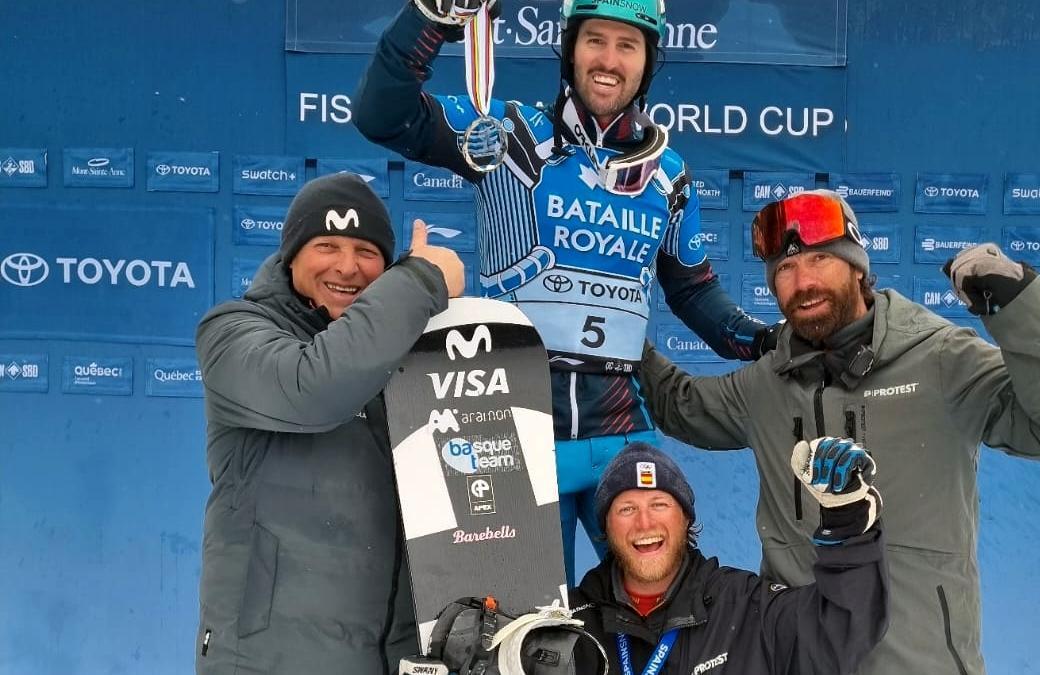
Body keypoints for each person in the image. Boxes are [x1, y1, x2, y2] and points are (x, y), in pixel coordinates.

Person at [352, 0, 771, 581]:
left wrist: (763, 340)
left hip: (622, 433)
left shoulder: (668, 173)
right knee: (519, 633)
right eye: (594, 39)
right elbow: (382, 114)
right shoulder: (509, 138)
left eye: (628, 46)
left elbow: (694, 292)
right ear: (569, 50)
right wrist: (431, 19)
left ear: (648, 63)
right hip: (514, 428)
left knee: (658, 612)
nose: (608, 59)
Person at [637, 189, 1040, 675]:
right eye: (785, 269)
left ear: (858, 267)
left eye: (820, 259)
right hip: (799, 660)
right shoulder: (768, 380)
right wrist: (613, 325)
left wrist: (1019, 309)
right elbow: (680, 406)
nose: (802, 282)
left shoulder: (942, 359)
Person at [193, 172, 465, 675]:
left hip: (392, 658)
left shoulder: (410, 350)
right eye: (326, 245)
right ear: (291, 255)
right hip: (269, 660)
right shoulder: (232, 333)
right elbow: (313, 387)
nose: (348, 267)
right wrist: (422, 281)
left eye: (366, 251)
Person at [407, 439, 887, 675]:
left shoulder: (747, 606)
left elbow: (842, 630)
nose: (644, 524)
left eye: (660, 505)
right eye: (626, 509)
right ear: (607, 528)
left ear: (684, 521)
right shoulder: (570, 624)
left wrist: (847, 525)